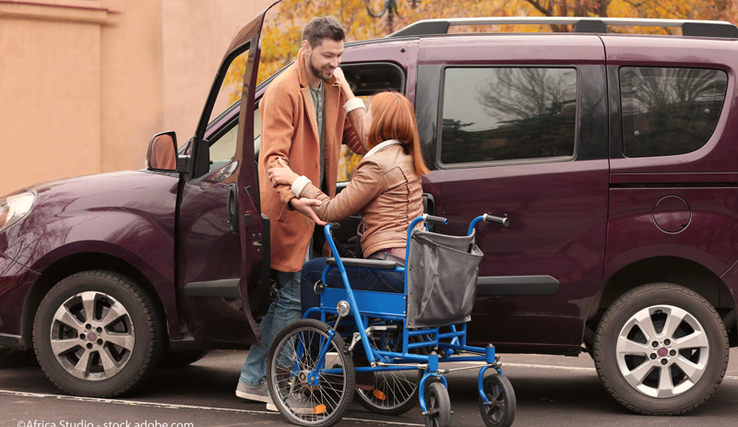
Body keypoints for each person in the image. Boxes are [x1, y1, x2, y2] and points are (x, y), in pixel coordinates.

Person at [235, 16, 366, 411]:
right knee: (292, 297)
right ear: (306, 48)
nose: (335, 63)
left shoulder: (332, 87)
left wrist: (351, 96)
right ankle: (271, 382)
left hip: (318, 212)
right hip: (291, 209)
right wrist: (301, 191)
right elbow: (273, 160)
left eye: (340, 56)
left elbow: (363, 141)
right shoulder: (281, 91)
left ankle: (256, 378)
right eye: (329, 56)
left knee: (296, 299)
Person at [268, 91, 429, 354]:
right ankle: (363, 375)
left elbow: (330, 210)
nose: (362, 118)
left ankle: (310, 361)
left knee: (312, 272)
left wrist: (294, 179)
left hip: (389, 270)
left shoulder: (377, 165)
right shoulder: (405, 157)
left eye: (368, 113)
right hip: (412, 268)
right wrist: (344, 87)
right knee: (352, 284)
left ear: (377, 123)